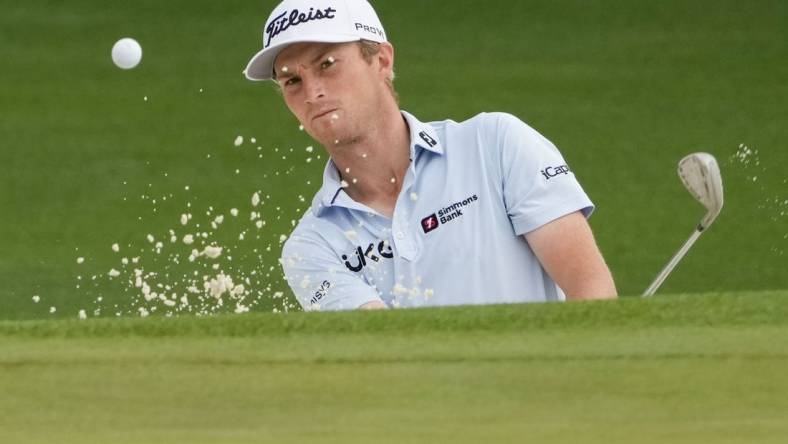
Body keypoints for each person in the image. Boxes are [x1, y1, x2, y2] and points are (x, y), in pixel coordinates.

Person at [244, 0, 617, 311]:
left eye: (327, 64)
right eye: (292, 80)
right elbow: (388, 353)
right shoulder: (311, 245)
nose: (312, 92)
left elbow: (591, 291)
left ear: (382, 61)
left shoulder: (496, 144)